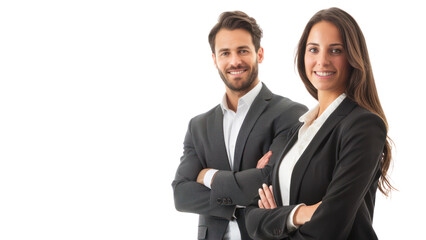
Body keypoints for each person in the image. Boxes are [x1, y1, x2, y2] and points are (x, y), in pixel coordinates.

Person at [245, 7, 394, 240]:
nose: (322, 60)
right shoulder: (298, 129)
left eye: (335, 50)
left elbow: (329, 228)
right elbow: (252, 217)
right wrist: (299, 214)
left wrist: (275, 220)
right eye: (313, 49)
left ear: (353, 57)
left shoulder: (363, 126)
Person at [172, 11, 307, 240]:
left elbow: (272, 180)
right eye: (225, 53)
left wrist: (208, 176)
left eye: (243, 50)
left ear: (259, 54)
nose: (234, 61)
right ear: (215, 59)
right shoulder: (198, 126)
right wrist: (240, 199)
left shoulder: (291, 114)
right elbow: (181, 195)